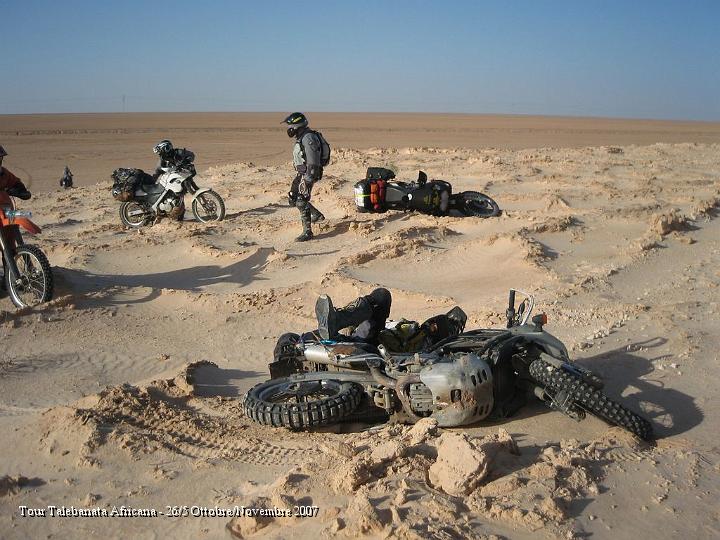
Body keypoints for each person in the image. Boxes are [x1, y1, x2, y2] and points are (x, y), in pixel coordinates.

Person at [314, 288, 467, 351]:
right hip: (367, 339)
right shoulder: (416, 332)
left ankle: (337, 320)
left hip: (373, 347)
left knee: (382, 295)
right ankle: (336, 322)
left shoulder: (426, 344)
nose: (431, 323)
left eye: (435, 326)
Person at [281, 112, 326, 241]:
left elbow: (312, 160)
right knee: (293, 197)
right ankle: (316, 215)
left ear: (297, 125)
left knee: (301, 200)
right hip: (302, 173)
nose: (289, 129)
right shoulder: (302, 137)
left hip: (309, 173)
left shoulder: (308, 138)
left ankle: (307, 232)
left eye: (290, 126)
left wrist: (309, 178)